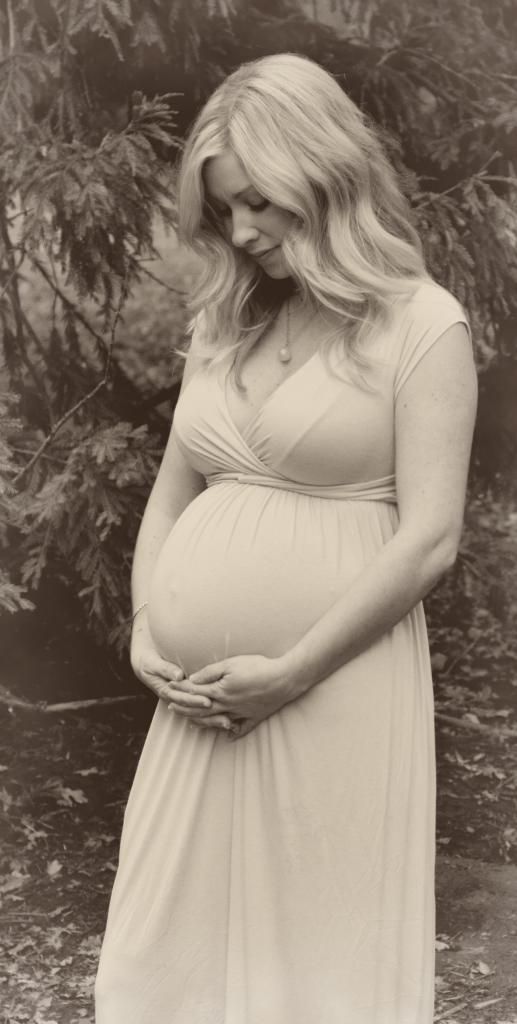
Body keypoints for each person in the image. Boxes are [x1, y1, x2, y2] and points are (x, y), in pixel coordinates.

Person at [95, 52, 477, 1024]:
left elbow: (429, 540)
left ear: (324, 171)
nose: (241, 231)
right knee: (155, 968)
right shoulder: (225, 322)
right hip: (196, 704)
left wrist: (293, 670)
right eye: (226, 208)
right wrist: (146, 626)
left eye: (258, 201)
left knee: (315, 973)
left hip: (331, 687)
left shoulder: (421, 326)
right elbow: (171, 495)